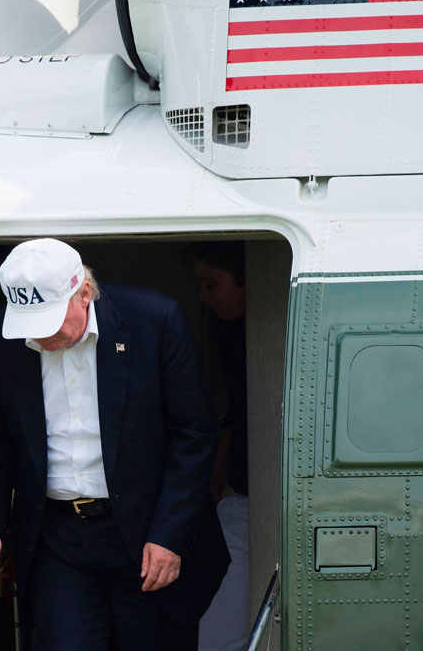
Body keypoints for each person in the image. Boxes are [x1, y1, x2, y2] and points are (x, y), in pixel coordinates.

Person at [0, 238, 229, 651]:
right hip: (58, 539)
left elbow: (193, 434)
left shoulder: (154, 319)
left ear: (84, 292)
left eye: (49, 321)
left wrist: (170, 534)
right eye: (28, 324)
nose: (40, 337)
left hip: (147, 532)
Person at [186, 242, 250, 651]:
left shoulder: (245, 333)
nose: (203, 298)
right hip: (239, 493)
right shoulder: (229, 331)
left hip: (245, 496)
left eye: (212, 284)